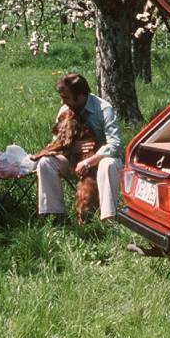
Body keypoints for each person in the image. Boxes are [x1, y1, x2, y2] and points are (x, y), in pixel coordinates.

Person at [35, 72, 123, 224]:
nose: (63, 101)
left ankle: (108, 218)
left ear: (81, 95)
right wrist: (71, 148)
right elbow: (56, 141)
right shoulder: (64, 110)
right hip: (73, 158)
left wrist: (89, 162)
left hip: (100, 160)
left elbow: (114, 145)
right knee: (45, 163)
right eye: (62, 97)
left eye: (66, 97)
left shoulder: (103, 109)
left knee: (108, 164)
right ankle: (55, 215)